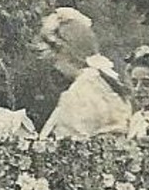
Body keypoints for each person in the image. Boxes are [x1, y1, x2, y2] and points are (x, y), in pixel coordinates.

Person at [31, 8, 132, 139]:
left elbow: (73, 141)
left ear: (66, 52)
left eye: (55, 59)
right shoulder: (104, 81)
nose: (55, 66)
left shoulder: (82, 90)